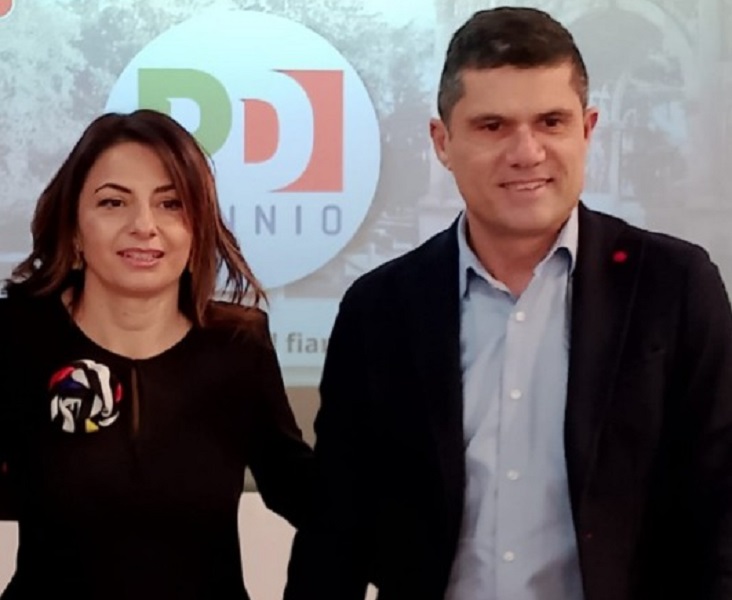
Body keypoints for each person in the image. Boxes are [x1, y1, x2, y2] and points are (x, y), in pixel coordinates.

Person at [284, 6, 732, 600]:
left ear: (587, 130)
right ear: (442, 142)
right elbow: (335, 530)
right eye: (492, 126)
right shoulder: (380, 309)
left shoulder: (675, 288)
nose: (527, 152)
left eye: (551, 122)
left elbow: (720, 513)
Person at [0, 108, 312, 599]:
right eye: (113, 202)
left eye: (171, 204)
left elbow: (300, 490)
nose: (144, 225)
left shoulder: (238, 344)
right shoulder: (17, 335)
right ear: (75, 228)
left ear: (198, 228)